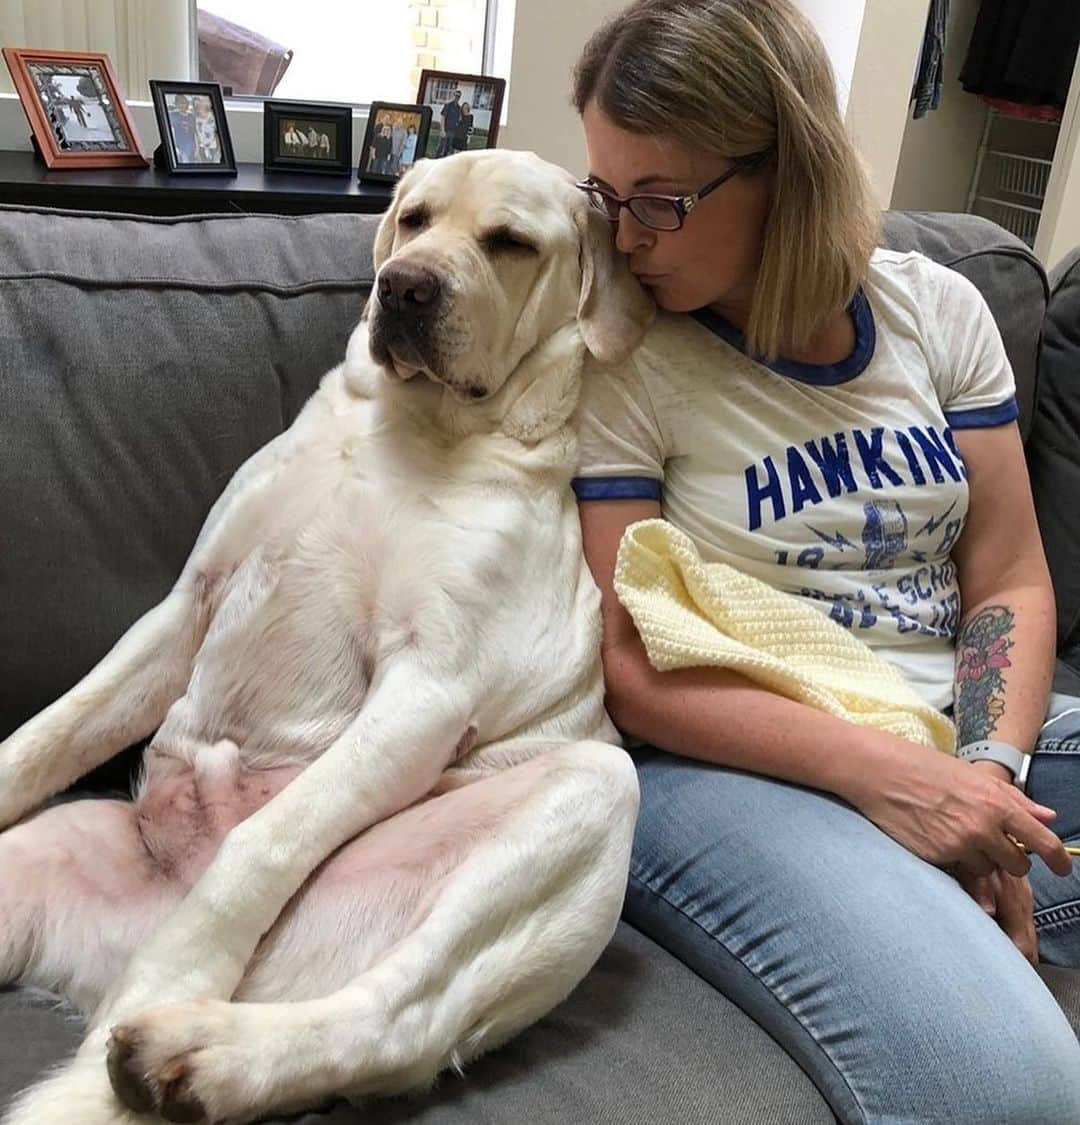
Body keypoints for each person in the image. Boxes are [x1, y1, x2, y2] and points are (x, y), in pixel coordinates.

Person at [570, 1, 1080, 1122]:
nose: (624, 242)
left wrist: (981, 781)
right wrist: (890, 779)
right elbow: (631, 668)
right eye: (606, 197)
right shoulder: (622, 361)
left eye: (660, 202)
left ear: (787, 168)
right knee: (1012, 1087)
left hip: (948, 729)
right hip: (725, 762)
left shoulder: (937, 311)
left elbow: (1008, 581)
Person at [167, 94, 196, 163]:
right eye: (180, 103)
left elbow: (194, 133)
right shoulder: (173, 115)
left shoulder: (191, 116)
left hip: (190, 144)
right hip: (178, 143)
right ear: (176, 104)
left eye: (184, 103)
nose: (182, 105)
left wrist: (197, 147)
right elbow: (170, 130)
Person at [436, 89, 463, 157]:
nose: (456, 97)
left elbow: (459, 120)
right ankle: (435, 160)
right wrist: (442, 130)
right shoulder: (448, 105)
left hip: (453, 132)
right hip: (446, 130)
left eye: (458, 96)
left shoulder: (459, 108)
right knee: (441, 148)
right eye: (455, 95)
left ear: (460, 97)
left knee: (448, 149)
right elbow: (443, 117)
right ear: (453, 95)